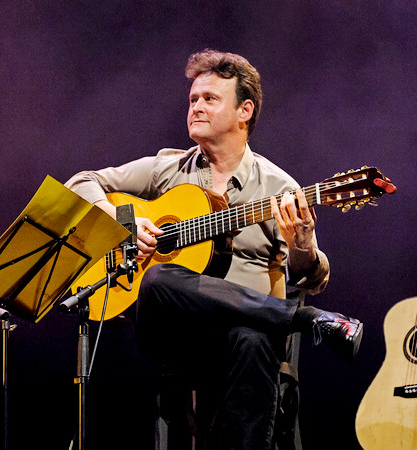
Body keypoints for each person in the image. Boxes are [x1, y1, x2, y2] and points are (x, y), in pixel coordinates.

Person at [64, 49, 362, 449]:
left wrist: (302, 244)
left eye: (210, 99)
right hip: (173, 335)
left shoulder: (277, 187)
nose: (196, 107)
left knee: (253, 340)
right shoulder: (168, 168)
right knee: (156, 277)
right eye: (193, 99)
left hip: (242, 340)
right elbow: (80, 183)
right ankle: (305, 319)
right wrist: (125, 225)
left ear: (245, 111)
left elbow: (312, 274)